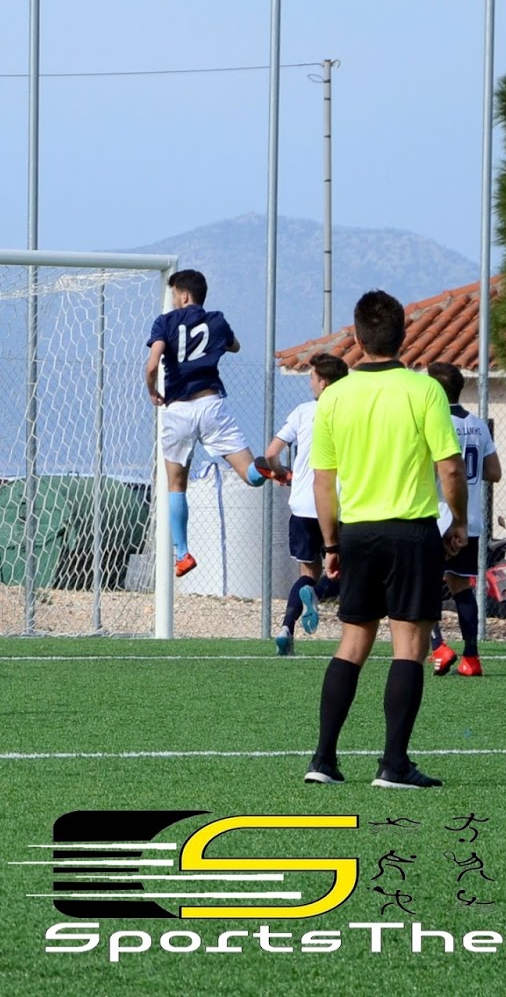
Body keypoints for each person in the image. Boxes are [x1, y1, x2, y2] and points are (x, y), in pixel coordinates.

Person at [305, 290, 466, 789]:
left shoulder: (334, 396)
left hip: (357, 533)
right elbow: (450, 468)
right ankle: (393, 765)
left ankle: (323, 760)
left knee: (353, 642)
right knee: (409, 646)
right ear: (404, 334)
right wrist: (459, 521)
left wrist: (331, 545)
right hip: (411, 531)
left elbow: (323, 481)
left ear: (357, 337)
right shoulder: (425, 391)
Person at [144, 269, 268, 578]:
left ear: (184, 295)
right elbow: (235, 346)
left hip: (178, 410)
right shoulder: (217, 321)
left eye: (175, 295)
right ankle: (265, 468)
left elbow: (152, 365)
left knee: (176, 485)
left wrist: (152, 390)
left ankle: (183, 554)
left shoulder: (165, 322)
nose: (174, 300)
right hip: (212, 404)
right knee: (250, 475)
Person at [257, 352, 348, 655]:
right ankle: (317, 595)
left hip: (303, 506)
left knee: (307, 572)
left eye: (312, 378)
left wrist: (281, 472)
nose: (309, 383)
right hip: (338, 505)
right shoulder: (352, 413)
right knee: (345, 573)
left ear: (324, 383)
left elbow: (271, 453)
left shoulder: (303, 412)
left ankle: (286, 628)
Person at [424, 361, 501, 678]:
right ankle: (471, 657)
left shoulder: (434, 424)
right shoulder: (479, 425)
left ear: (434, 391)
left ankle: (439, 647)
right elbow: (494, 472)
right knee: (461, 587)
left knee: (423, 586)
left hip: (438, 518)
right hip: (470, 521)